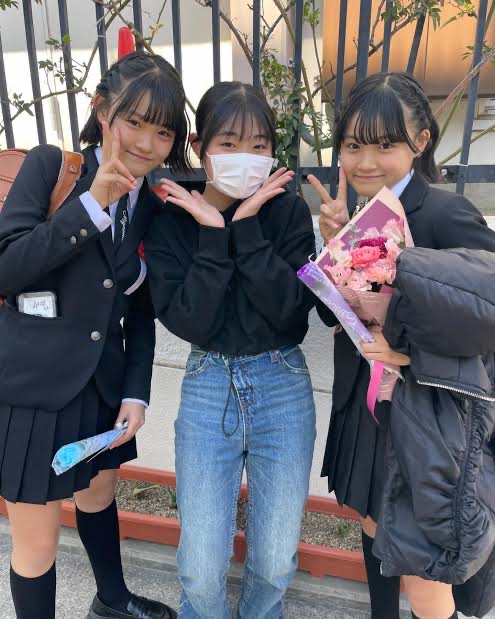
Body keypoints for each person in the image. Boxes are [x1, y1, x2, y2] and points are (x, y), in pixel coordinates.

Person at [0, 51, 190, 619]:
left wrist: (136, 392)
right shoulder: (51, 169)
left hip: (103, 385)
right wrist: (90, 207)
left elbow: (142, 310)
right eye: (134, 122)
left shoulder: (153, 204)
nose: (147, 144)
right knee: (37, 542)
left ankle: (112, 598)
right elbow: (7, 268)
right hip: (34, 392)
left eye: (163, 132)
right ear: (102, 111)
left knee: (99, 494)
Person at [308, 71, 495, 619]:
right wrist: (334, 246)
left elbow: (486, 319)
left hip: (425, 419)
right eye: (353, 146)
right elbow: (334, 317)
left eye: (385, 145)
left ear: (420, 142)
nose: (366, 162)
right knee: (375, 529)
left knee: (424, 570)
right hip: (369, 413)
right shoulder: (359, 215)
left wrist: (411, 355)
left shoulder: (445, 214)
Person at [145, 81, 321, 619]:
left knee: (274, 560)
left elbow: (291, 313)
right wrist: (213, 235)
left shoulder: (288, 214)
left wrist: (246, 230)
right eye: (228, 143)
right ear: (199, 146)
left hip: (282, 382)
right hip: (208, 383)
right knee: (200, 565)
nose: (246, 156)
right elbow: (190, 321)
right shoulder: (172, 219)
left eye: (259, 145)